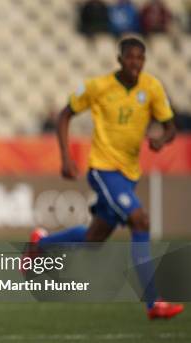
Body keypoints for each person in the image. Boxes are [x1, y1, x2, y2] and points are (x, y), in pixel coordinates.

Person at [28, 37, 183, 320]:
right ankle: (154, 302)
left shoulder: (151, 88)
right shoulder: (98, 87)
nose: (136, 63)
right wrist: (65, 157)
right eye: (131, 57)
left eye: (141, 58)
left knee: (93, 239)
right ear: (120, 59)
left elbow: (170, 126)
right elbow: (65, 115)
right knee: (140, 220)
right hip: (102, 169)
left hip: (129, 174)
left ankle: (41, 242)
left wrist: (162, 138)